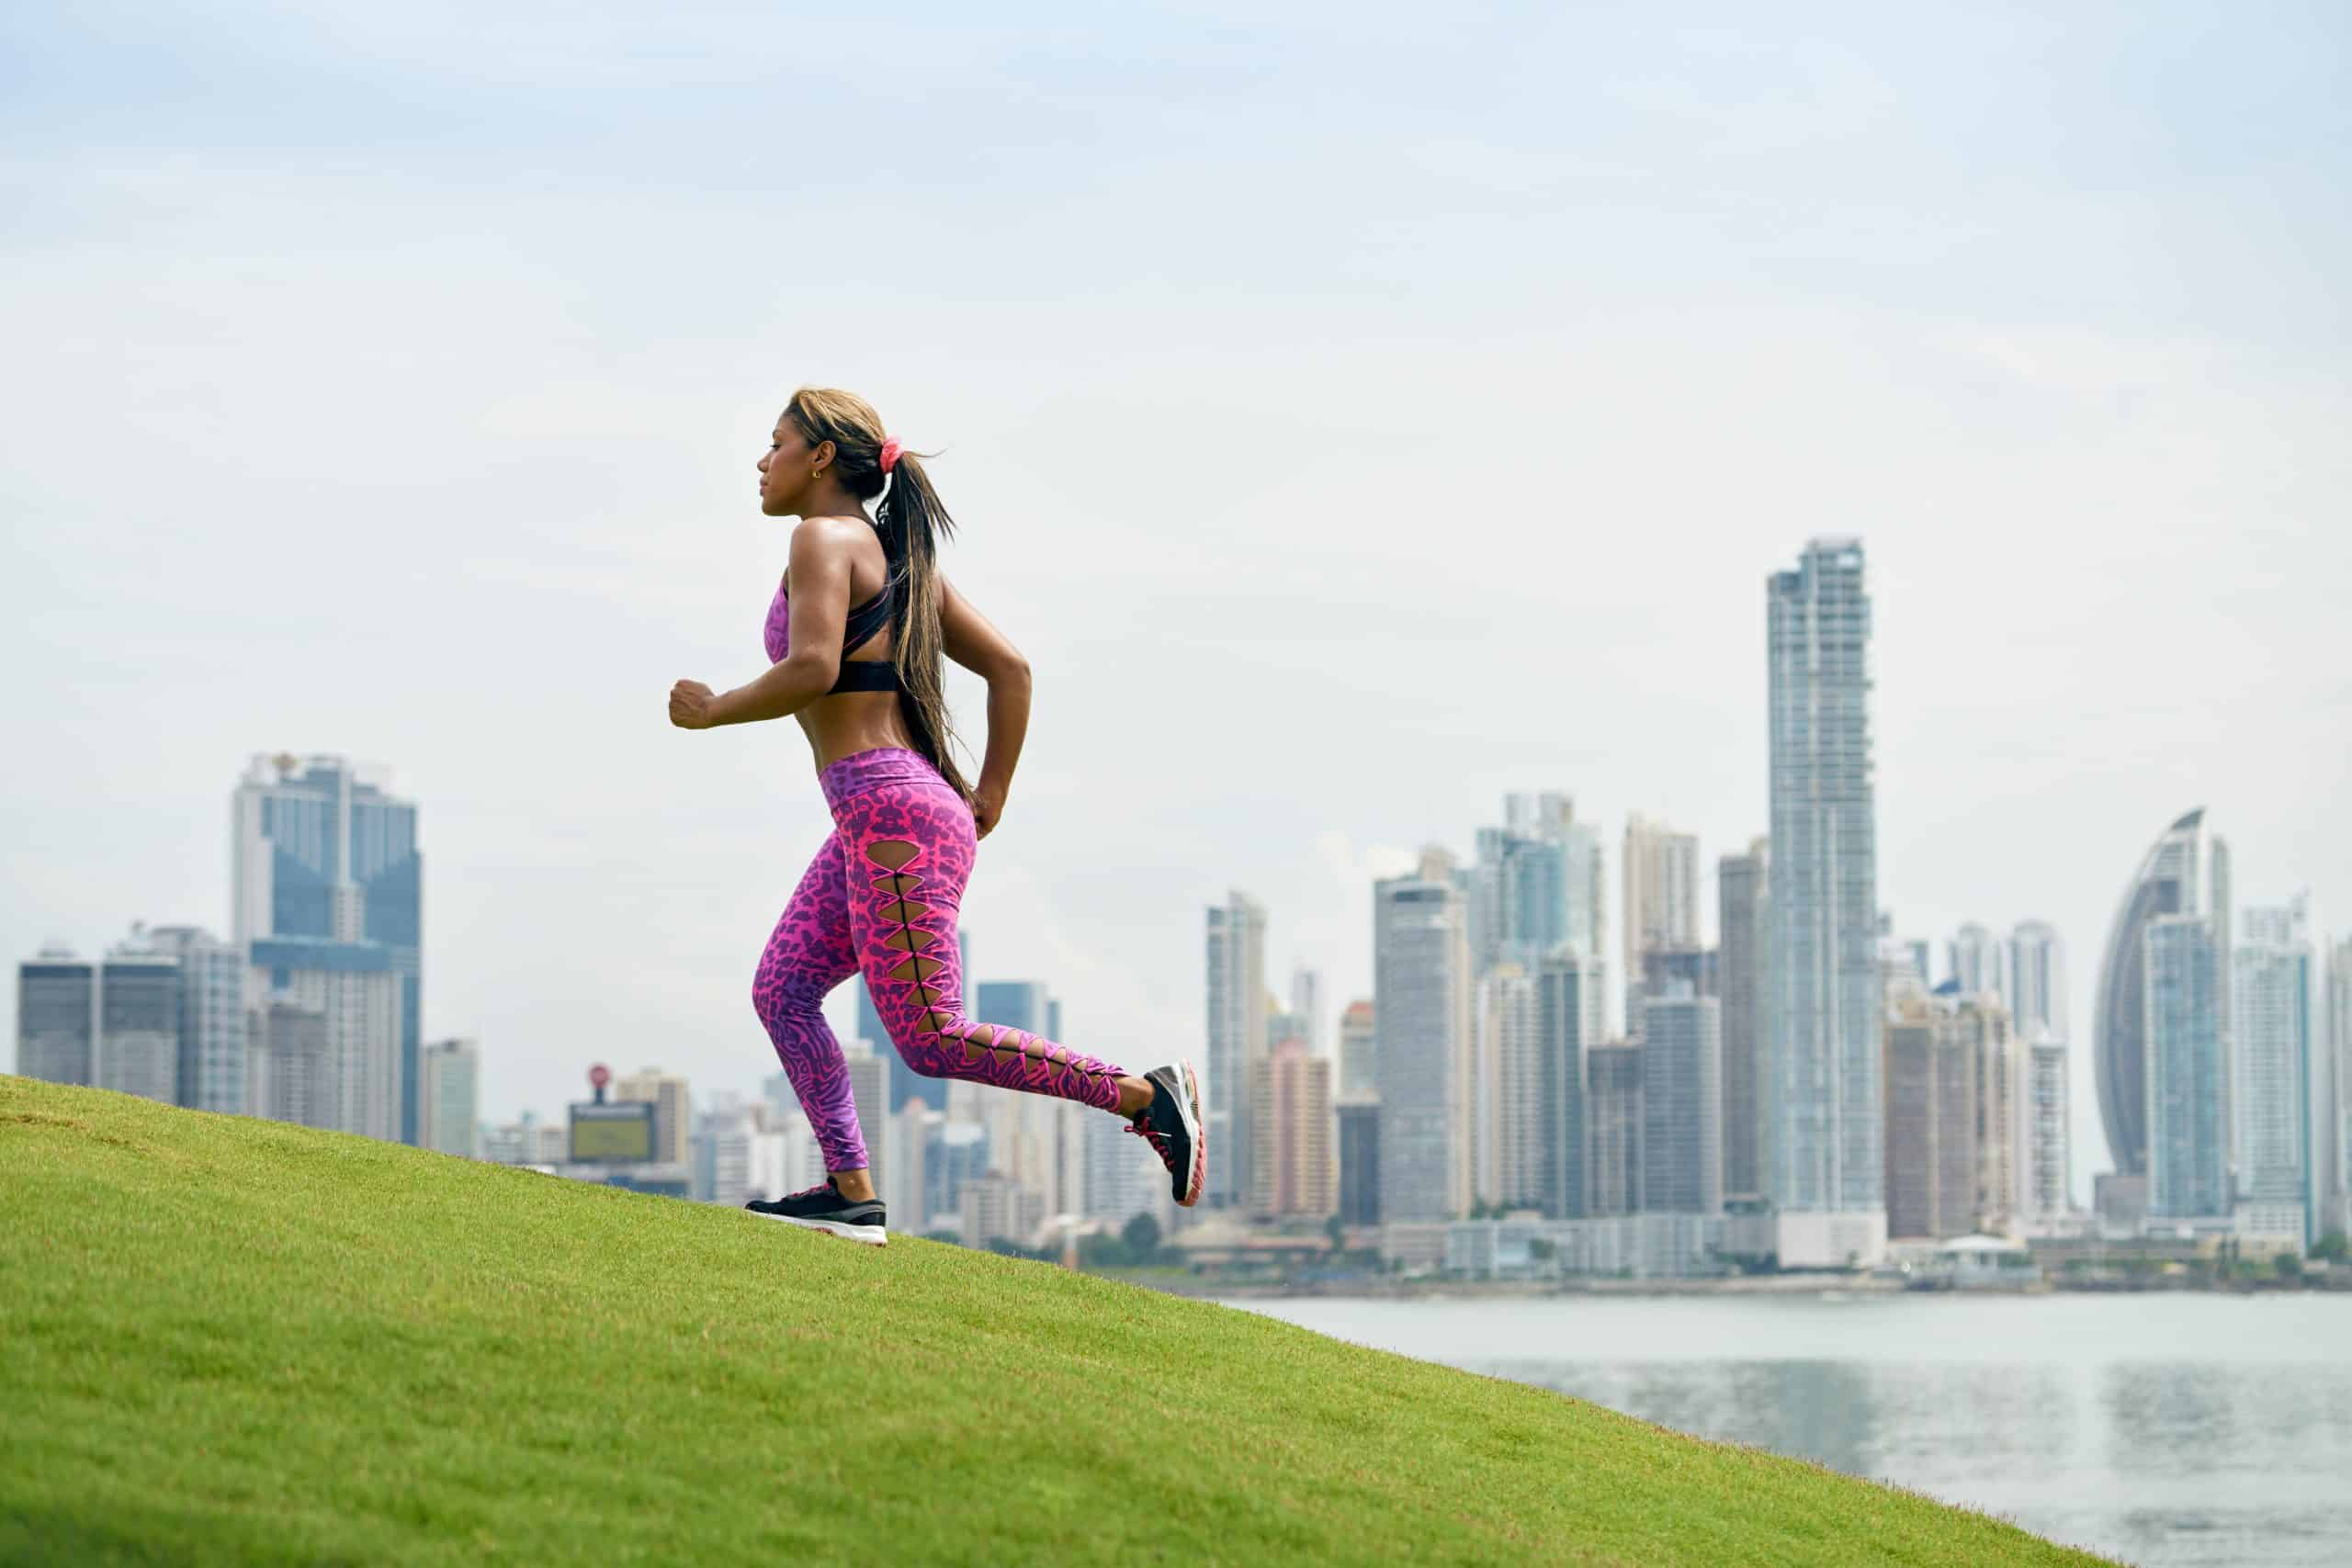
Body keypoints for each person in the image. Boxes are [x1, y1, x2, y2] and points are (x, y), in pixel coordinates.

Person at [667, 387, 1204, 1247]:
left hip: (890, 811)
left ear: (820, 457)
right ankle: (851, 1191)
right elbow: (1013, 670)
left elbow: (812, 667)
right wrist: (988, 796)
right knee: (784, 989)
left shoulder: (821, 538)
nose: (761, 462)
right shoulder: (894, 561)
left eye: (776, 443)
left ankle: (1147, 1096)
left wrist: (714, 709)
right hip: (881, 812)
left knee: (931, 1037)